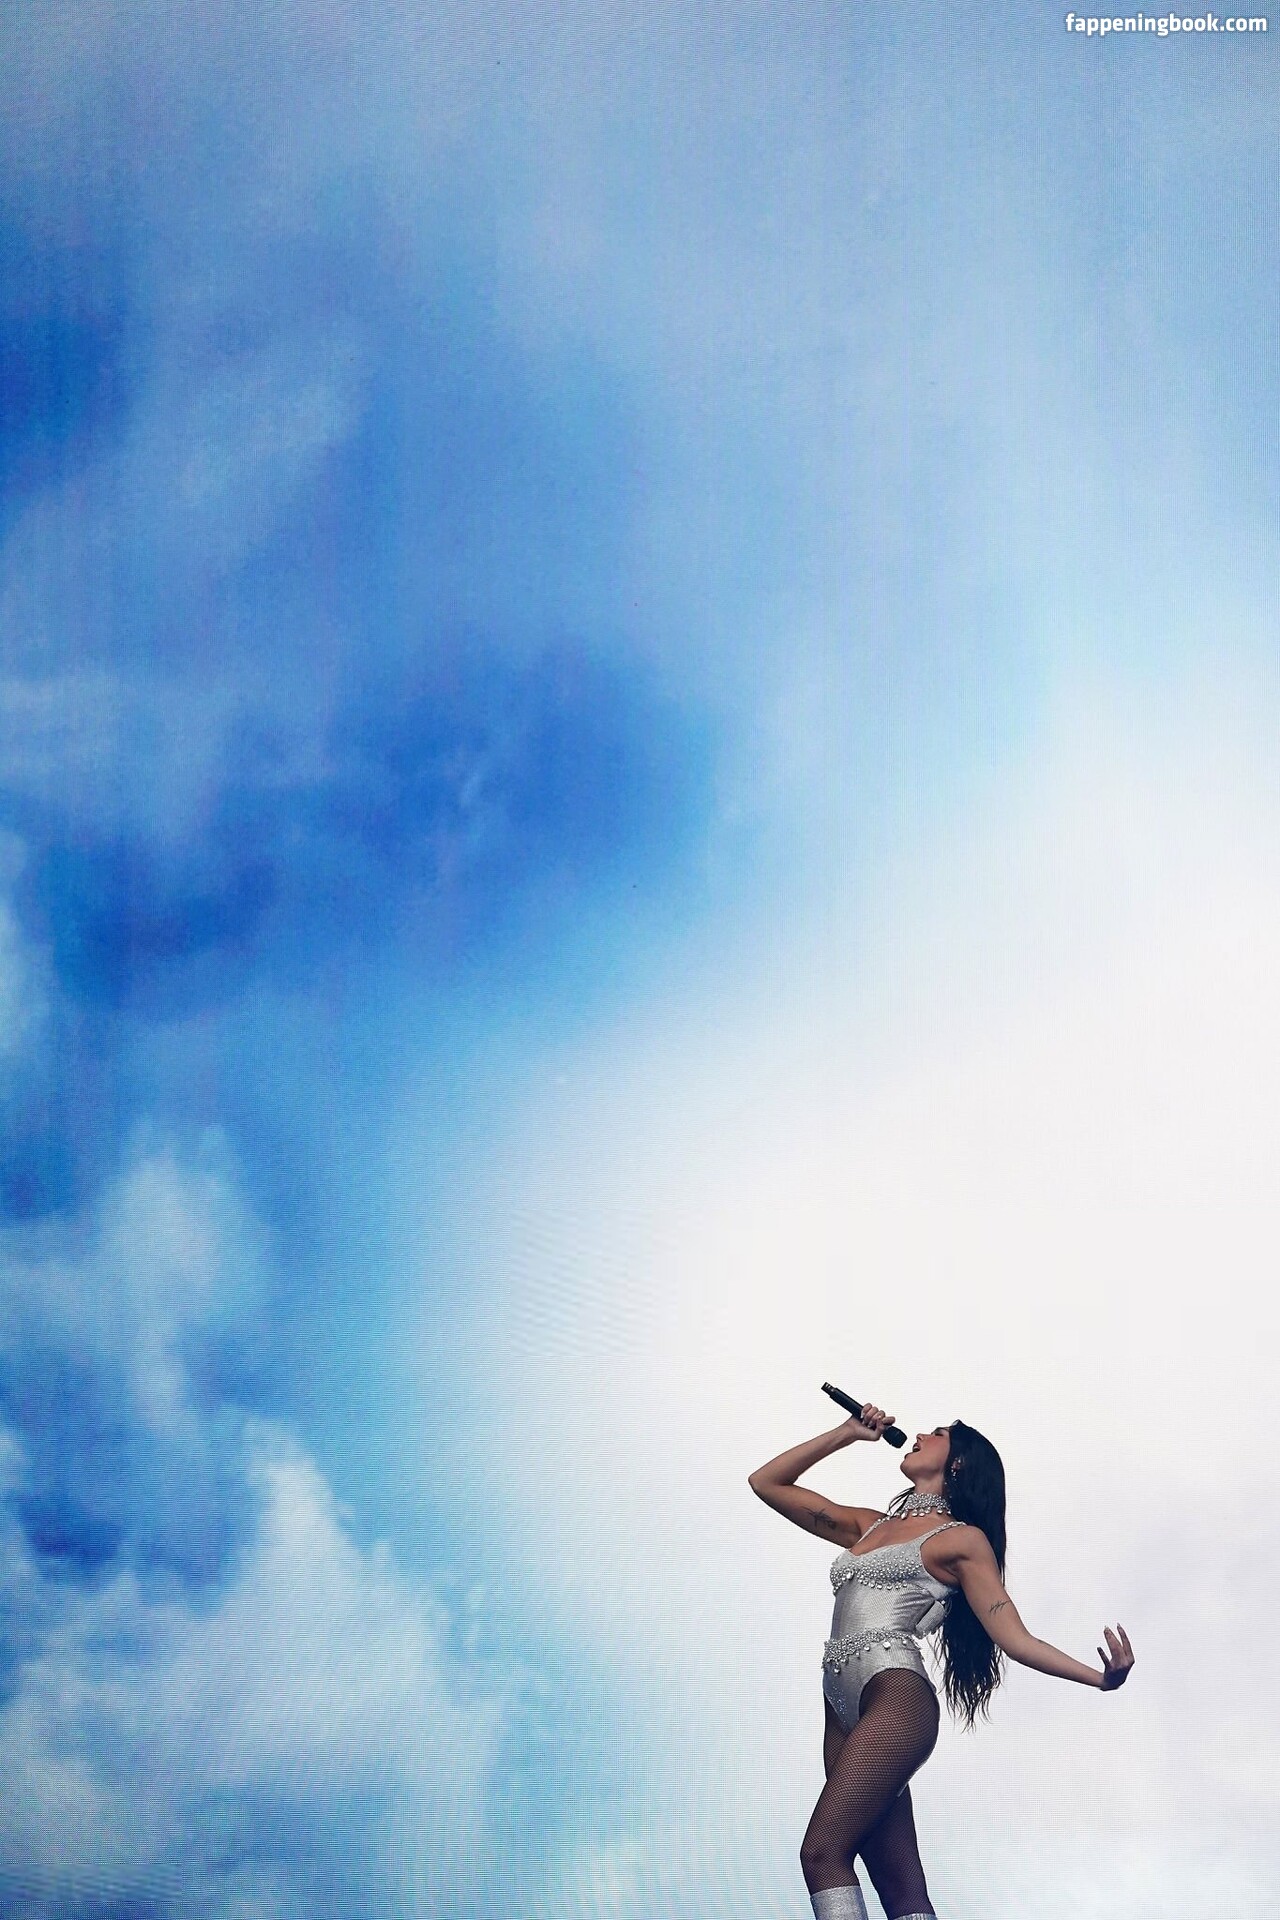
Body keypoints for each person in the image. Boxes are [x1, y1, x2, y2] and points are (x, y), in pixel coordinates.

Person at [748, 1404, 1134, 1920]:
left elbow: (1014, 1638)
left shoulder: (961, 1540)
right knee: (903, 1893)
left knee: (822, 1854)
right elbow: (766, 1482)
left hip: (895, 1699)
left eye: (937, 1434)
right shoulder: (867, 1527)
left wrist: (1100, 1679)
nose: (919, 1434)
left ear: (959, 1463)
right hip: (839, 1709)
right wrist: (848, 1432)